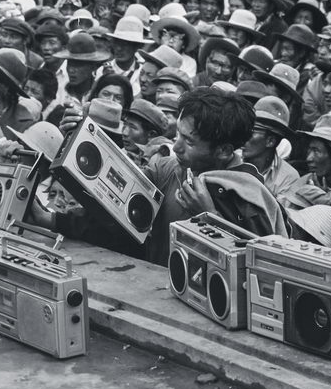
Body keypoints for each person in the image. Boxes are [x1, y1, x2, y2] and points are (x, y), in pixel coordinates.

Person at [38, 87, 285, 266]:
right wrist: (76, 137)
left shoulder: (249, 199)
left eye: (189, 141)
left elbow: (263, 272)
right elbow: (114, 207)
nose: (175, 147)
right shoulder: (169, 170)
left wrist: (210, 218)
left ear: (224, 151)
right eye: (178, 134)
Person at [242, 96, 299, 205]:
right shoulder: (231, 159)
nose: (244, 137)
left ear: (270, 141)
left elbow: (279, 216)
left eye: (252, 132)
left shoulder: (289, 177)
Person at [52, 32, 110, 106]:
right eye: (69, 64)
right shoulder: (58, 92)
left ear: (93, 67)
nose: (71, 70)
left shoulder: (101, 95)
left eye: (78, 65)